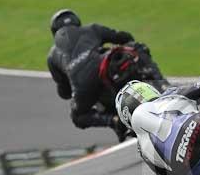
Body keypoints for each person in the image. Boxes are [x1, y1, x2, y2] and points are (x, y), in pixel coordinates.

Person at [47, 8, 138, 141]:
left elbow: (64, 91)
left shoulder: (52, 55)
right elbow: (123, 37)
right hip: (107, 70)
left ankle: (113, 120)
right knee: (137, 51)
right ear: (77, 22)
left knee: (78, 116)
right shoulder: (91, 29)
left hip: (83, 86)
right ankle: (160, 84)